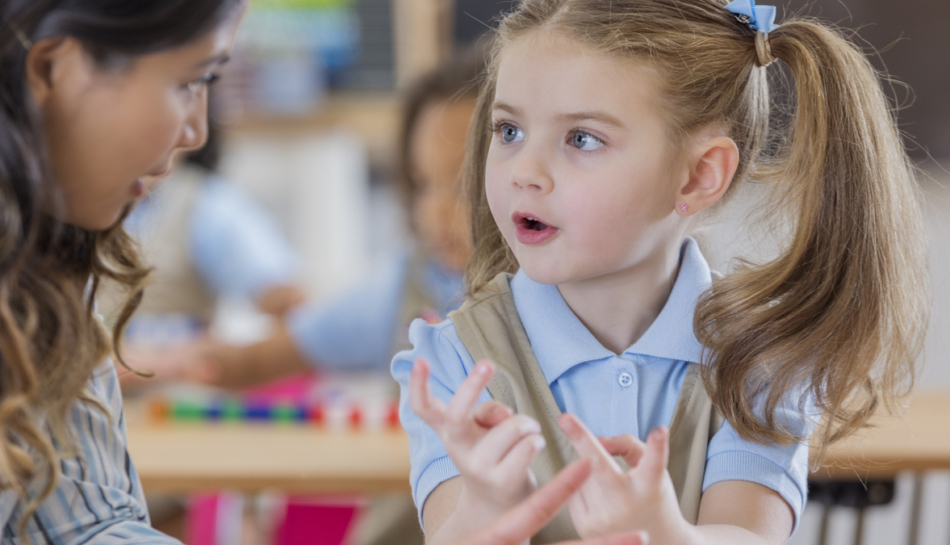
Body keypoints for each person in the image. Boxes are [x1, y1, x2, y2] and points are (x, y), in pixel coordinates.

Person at [392, 0, 930, 544]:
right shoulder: (451, 361)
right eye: (508, 131)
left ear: (698, 176)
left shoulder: (759, 364)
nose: (524, 172)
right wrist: (484, 509)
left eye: (582, 139)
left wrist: (669, 534)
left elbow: (749, 535)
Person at [0, 0, 246, 541]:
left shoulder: (50, 279)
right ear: (51, 69)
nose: (197, 131)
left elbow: (87, 524)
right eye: (191, 80)